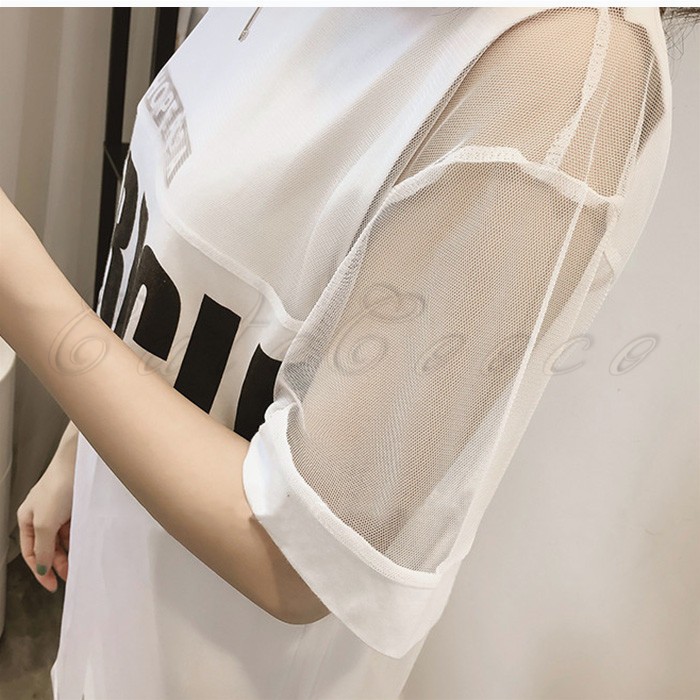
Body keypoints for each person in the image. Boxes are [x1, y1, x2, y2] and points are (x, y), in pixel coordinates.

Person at [2, 6, 691, 699]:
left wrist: (30, 304)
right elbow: (176, 255)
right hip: (119, 600)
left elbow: (293, 555)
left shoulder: (564, 74)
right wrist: (79, 446)